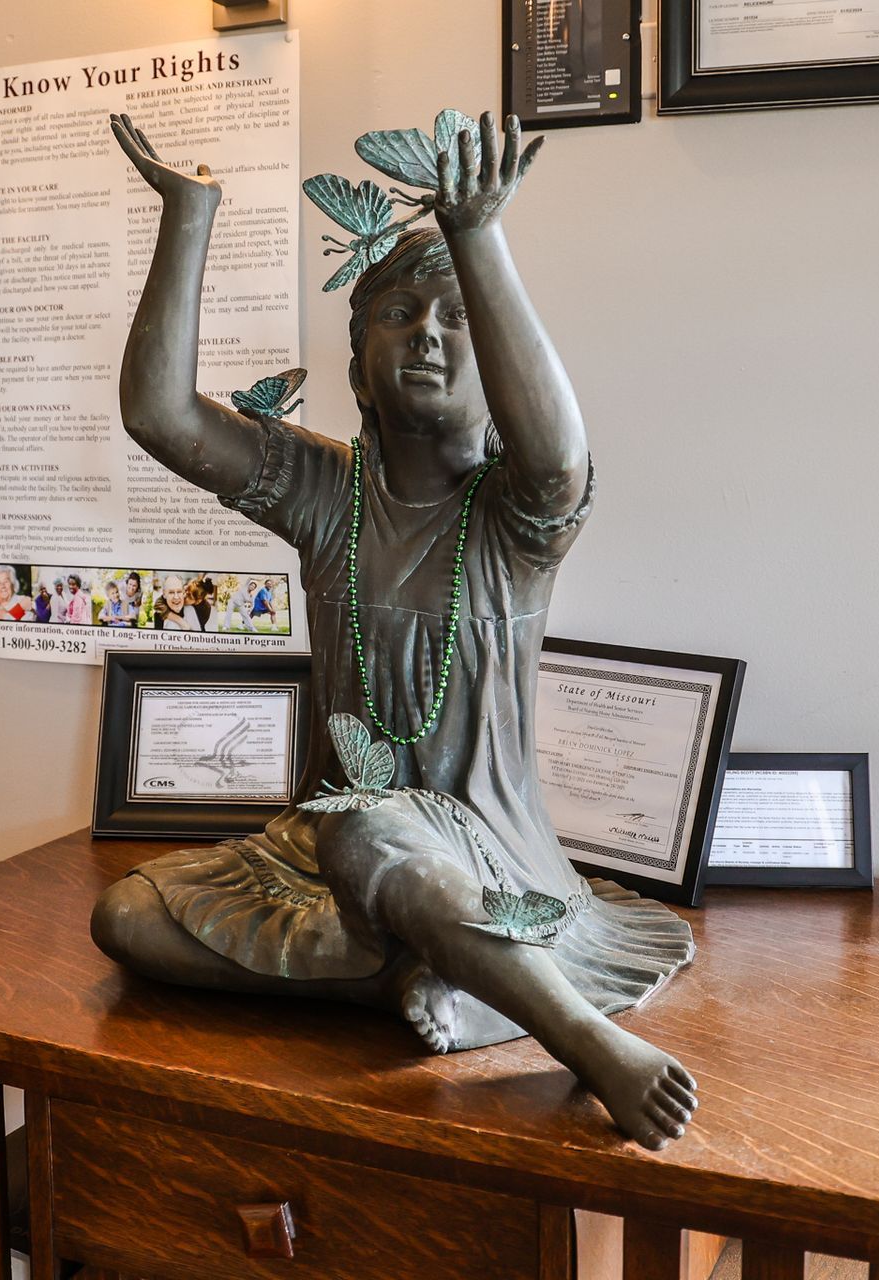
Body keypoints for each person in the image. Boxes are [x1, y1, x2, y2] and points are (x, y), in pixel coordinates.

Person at [91, 111, 696, 1151]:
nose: (426, 331)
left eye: (455, 318)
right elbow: (160, 414)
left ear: (498, 364)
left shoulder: (514, 517)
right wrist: (189, 217)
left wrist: (478, 235)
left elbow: (560, 453)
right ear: (360, 366)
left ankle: (582, 1034)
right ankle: (447, 977)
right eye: (398, 313)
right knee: (129, 917)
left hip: (488, 850)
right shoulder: (326, 492)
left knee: (371, 824)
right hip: (321, 853)